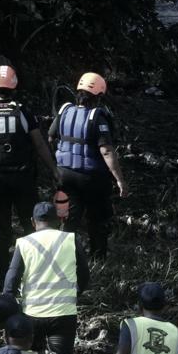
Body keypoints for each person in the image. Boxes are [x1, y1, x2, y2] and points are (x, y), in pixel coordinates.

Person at [0, 64, 60, 281]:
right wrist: (53, 170)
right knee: (30, 225)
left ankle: (1, 275)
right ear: (14, 90)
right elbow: (39, 145)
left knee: (0, 229)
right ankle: (34, 272)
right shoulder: (23, 113)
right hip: (23, 179)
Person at [3, 201, 89, 354]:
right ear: (58, 220)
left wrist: (9, 306)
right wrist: (76, 293)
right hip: (63, 314)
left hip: (32, 314)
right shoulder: (70, 239)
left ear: (33, 222)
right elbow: (84, 273)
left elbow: (12, 278)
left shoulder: (24, 243)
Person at [48, 72, 127, 259]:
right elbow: (106, 151)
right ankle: (98, 258)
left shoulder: (64, 111)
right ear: (99, 96)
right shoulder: (97, 118)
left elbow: (51, 137)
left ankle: (62, 257)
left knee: (69, 220)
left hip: (65, 175)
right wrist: (120, 180)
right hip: (92, 178)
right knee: (97, 220)